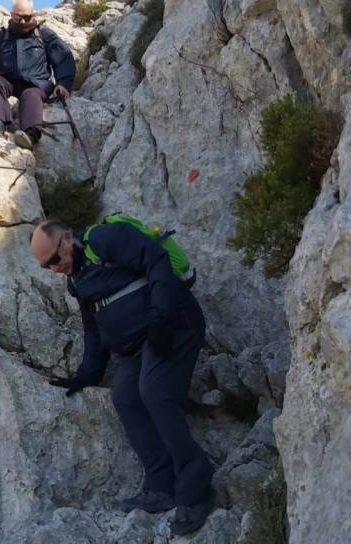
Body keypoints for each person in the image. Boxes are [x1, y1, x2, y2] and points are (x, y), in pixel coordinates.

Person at [29, 218, 217, 536]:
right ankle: (161, 485)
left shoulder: (106, 239)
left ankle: (197, 488)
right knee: (125, 398)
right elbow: (93, 327)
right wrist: (86, 375)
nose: (53, 269)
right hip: (135, 347)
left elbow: (155, 260)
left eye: (54, 260)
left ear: (67, 239)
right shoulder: (77, 280)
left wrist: (161, 317)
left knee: (155, 392)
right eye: (45, 266)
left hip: (172, 326)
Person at [0, 0, 75, 150]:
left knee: (30, 95)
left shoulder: (44, 36)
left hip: (37, 85)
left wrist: (64, 83)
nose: (22, 22)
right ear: (11, 15)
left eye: (27, 17)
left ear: (33, 15)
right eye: (18, 17)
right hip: (7, 82)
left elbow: (63, 58)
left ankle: (30, 135)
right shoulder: (2, 37)